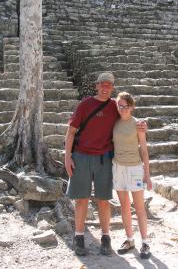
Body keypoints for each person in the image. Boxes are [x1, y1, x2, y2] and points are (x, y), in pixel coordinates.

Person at [64, 72, 146, 256]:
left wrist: (142, 124)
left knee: (103, 199)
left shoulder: (114, 107)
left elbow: (128, 116)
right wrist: (67, 157)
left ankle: (105, 237)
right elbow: (71, 131)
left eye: (108, 85)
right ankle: (79, 238)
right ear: (96, 86)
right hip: (82, 156)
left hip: (104, 158)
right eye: (102, 84)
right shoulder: (85, 104)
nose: (105, 88)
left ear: (112, 88)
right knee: (81, 199)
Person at [113, 91, 152, 259]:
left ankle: (145, 242)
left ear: (131, 107)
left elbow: (144, 150)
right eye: (119, 105)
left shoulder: (138, 124)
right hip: (118, 168)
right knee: (124, 207)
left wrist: (147, 175)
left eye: (125, 106)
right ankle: (130, 240)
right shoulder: (113, 123)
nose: (122, 109)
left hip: (135, 169)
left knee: (139, 208)